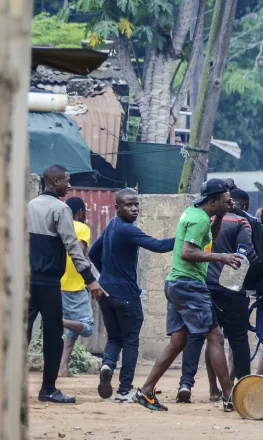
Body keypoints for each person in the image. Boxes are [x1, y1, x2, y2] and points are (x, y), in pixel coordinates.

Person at [134, 179, 242, 412]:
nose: (228, 203)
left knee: (179, 340)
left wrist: (221, 216)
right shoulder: (197, 220)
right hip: (188, 285)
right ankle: (228, 397)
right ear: (213, 200)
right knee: (216, 338)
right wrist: (222, 257)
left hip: (177, 284)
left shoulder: (199, 215)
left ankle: (145, 391)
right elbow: (188, 252)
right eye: (224, 201)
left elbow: (208, 240)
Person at [89, 188, 175, 403]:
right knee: (130, 342)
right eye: (128, 205)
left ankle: (108, 365)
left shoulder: (111, 225)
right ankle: (124, 391)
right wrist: (185, 236)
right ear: (117, 207)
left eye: (136, 204)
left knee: (115, 337)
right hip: (126, 294)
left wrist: (106, 275)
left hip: (106, 292)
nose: (134, 208)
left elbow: (92, 253)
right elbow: (158, 246)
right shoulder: (127, 229)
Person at [27, 165, 104, 404]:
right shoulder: (60, 209)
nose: (69, 186)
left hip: (26, 282)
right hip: (49, 283)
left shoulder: (29, 206)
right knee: (53, 336)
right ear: (55, 180)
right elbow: (73, 248)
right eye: (67, 181)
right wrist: (91, 281)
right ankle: (48, 389)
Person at [177, 188, 260, 403]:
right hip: (231, 290)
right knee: (238, 339)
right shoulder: (242, 224)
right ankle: (243, 388)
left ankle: (195, 385)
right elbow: (245, 255)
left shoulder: (205, 219)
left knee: (204, 337)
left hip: (205, 287)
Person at [58, 197, 96, 378]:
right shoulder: (82, 228)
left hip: (57, 284)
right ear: (80, 212)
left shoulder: (58, 226)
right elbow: (79, 254)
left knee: (73, 330)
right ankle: (57, 322)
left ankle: (63, 367)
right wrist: (92, 280)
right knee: (87, 327)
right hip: (75, 285)